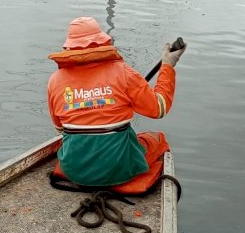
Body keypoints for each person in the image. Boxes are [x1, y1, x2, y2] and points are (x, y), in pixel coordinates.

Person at [47, 17, 186, 188]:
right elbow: (160, 108)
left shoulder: (55, 81)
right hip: (118, 169)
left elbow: (60, 128)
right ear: (103, 42)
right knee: (157, 140)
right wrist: (167, 66)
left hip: (74, 171)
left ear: (68, 47)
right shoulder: (124, 74)